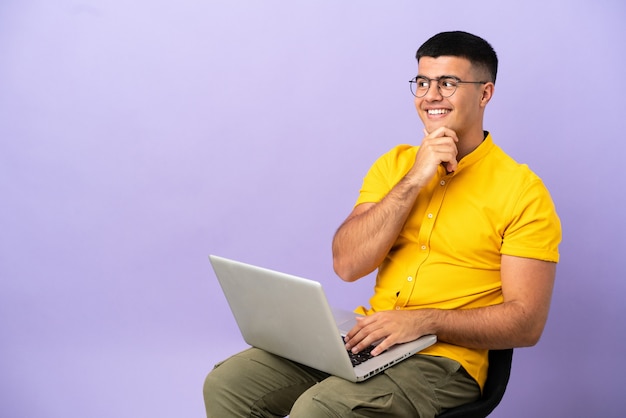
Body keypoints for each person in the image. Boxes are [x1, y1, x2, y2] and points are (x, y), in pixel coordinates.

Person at [203, 31, 561, 418]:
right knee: (229, 384)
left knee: (320, 409)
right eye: (422, 82)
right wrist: (415, 178)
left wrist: (423, 321)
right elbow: (348, 264)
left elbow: (526, 323)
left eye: (448, 83)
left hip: (444, 361)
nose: (431, 95)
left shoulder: (523, 191)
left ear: (484, 93)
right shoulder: (395, 165)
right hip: (369, 338)